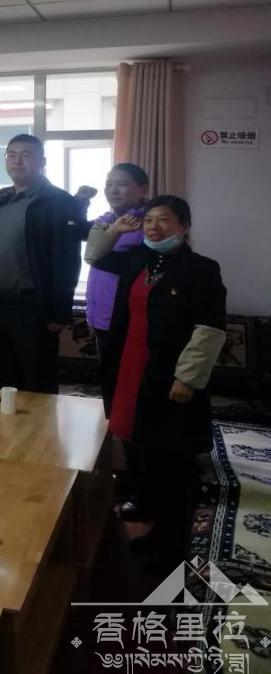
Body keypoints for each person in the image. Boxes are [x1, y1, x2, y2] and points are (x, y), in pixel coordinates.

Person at [86, 196, 227, 563]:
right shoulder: (138, 259)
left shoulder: (201, 269)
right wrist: (114, 230)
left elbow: (209, 328)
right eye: (149, 220)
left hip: (170, 374)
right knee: (141, 444)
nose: (154, 227)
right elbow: (94, 256)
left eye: (164, 220)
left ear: (185, 225)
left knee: (171, 458)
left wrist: (188, 377)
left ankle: (170, 541)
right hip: (131, 368)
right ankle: (145, 503)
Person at [0, 133, 85, 393]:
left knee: (37, 382)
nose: (18, 161)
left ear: (42, 162)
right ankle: (7, 421)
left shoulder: (59, 202)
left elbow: (67, 260)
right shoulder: (2, 198)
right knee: (5, 380)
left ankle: (41, 422)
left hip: (35, 308)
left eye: (26, 155)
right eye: (12, 155)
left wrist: (59, 312)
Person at [84, 162, 150, 520]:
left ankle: (136, 475)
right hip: (104, 321)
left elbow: (103, 259)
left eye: (122, 184)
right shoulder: (107, 219)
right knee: (111, 395)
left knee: (129, 399)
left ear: (142, 189)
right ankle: (119, 464)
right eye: (109, 183)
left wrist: (106, 244)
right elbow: (93, 257)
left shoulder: (146, 223)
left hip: (128, 323)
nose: (113, 190)